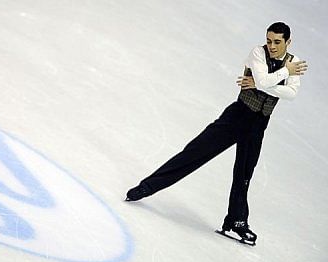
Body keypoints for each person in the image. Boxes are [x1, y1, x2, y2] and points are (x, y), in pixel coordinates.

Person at [125, 22, 308, 245]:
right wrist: (281, 74)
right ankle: (146, 187)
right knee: (194, 153)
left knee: (244, 175)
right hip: (238, 116)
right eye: (269, 40)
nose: (271, 46)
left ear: (288, 42)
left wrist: (263, 84)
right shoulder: (258, 53)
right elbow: (264, 80)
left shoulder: (294, 62)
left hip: (259, 124)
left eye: (277, 42)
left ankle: (236, 222)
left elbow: (290, 93)